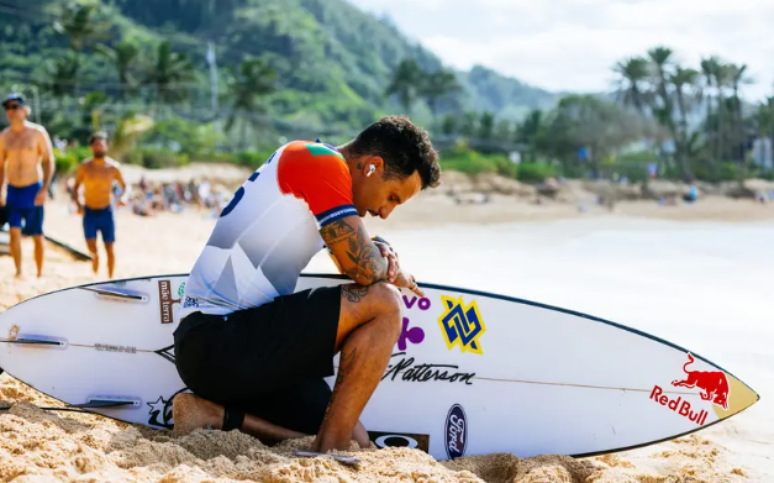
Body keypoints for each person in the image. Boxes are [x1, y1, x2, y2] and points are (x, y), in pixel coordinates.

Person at [172, 116, 441, 453]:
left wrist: (380, 248)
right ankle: (328, 451)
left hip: (245, 348)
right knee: (385, 302)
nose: (385, 211)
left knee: (356, 440)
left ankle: (216, 416)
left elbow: (356, 252)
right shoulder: (318, 162)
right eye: (392, 197)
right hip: (218, 338)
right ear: (373, 166)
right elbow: (363, 268)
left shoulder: (323, 179)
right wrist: (387, 266)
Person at [0, 93, 54, 278]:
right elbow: (1, 166)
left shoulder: (37, 133)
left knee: (37, 234)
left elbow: (48, 161)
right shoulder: (4, 137)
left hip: (33, 188)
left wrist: (45, 188)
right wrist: (1, 189)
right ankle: (18, 271)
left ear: (25, 110)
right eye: (8, 108)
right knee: (14, 231)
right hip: (14, 189)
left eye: (15, 107)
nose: (11, 111)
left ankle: (39, 272)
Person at [71, 132, 126, 278]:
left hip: (106, 211)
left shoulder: (113, 167)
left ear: (106, 146)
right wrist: (78, 203)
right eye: (96, 144)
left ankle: (110, 277)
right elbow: (76, 186)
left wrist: (123, 197)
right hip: (89, 211)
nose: (99, 147)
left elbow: (125, 186)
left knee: (109, 247)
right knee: (91, 246)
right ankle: (95, 267)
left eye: (101, 144)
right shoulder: (85, 167)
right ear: (91, 147)